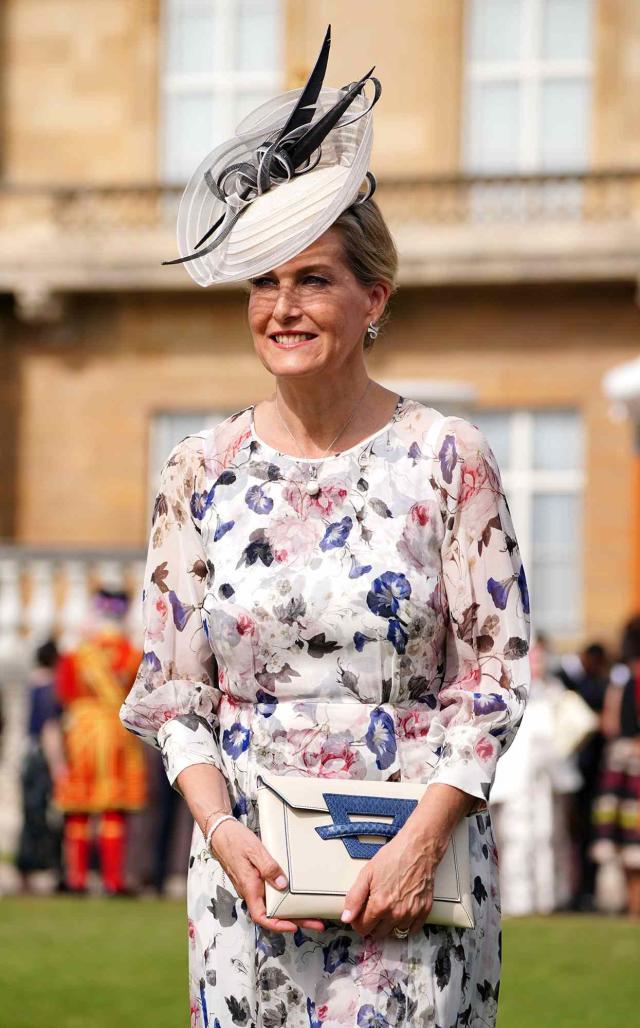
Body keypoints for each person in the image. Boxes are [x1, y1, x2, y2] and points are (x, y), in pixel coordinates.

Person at [120, 27, 530, 1027]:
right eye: (265, 281)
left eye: (312, 279)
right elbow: (174, 692)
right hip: (247, 884)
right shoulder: (197, 470)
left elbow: (497, 673)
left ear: (373, 297)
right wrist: (221, 834)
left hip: (412, 882)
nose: (282, 306)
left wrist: (425, 837)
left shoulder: (450, 456)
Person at [54, 587, 146, 894]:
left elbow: (65, 694)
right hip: (116, 733)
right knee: (113, 810)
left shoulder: (76, 654)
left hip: (81, 735)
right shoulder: (131, 654)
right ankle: (112, 880)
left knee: (78, 809)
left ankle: (77, 879)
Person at [591, 617, 640, 918]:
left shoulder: (619, 679)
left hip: (618, 763)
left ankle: (629, 907)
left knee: (620, 843)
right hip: (631, 766)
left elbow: (608, 723)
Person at [555, 641, 610, 910]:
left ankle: (581, 891)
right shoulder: (574, 682)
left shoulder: (584, 684)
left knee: (580, 833)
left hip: (585, 774)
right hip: (576, 772)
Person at [15, 638, 64, 890]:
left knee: (30, 812)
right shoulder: (51, 687)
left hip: (28, 752)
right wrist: (58, 765)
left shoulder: (33, 684)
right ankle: (44, 865)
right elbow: (50, 729)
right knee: (45, 814)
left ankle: (26, 866)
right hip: (42, 756)